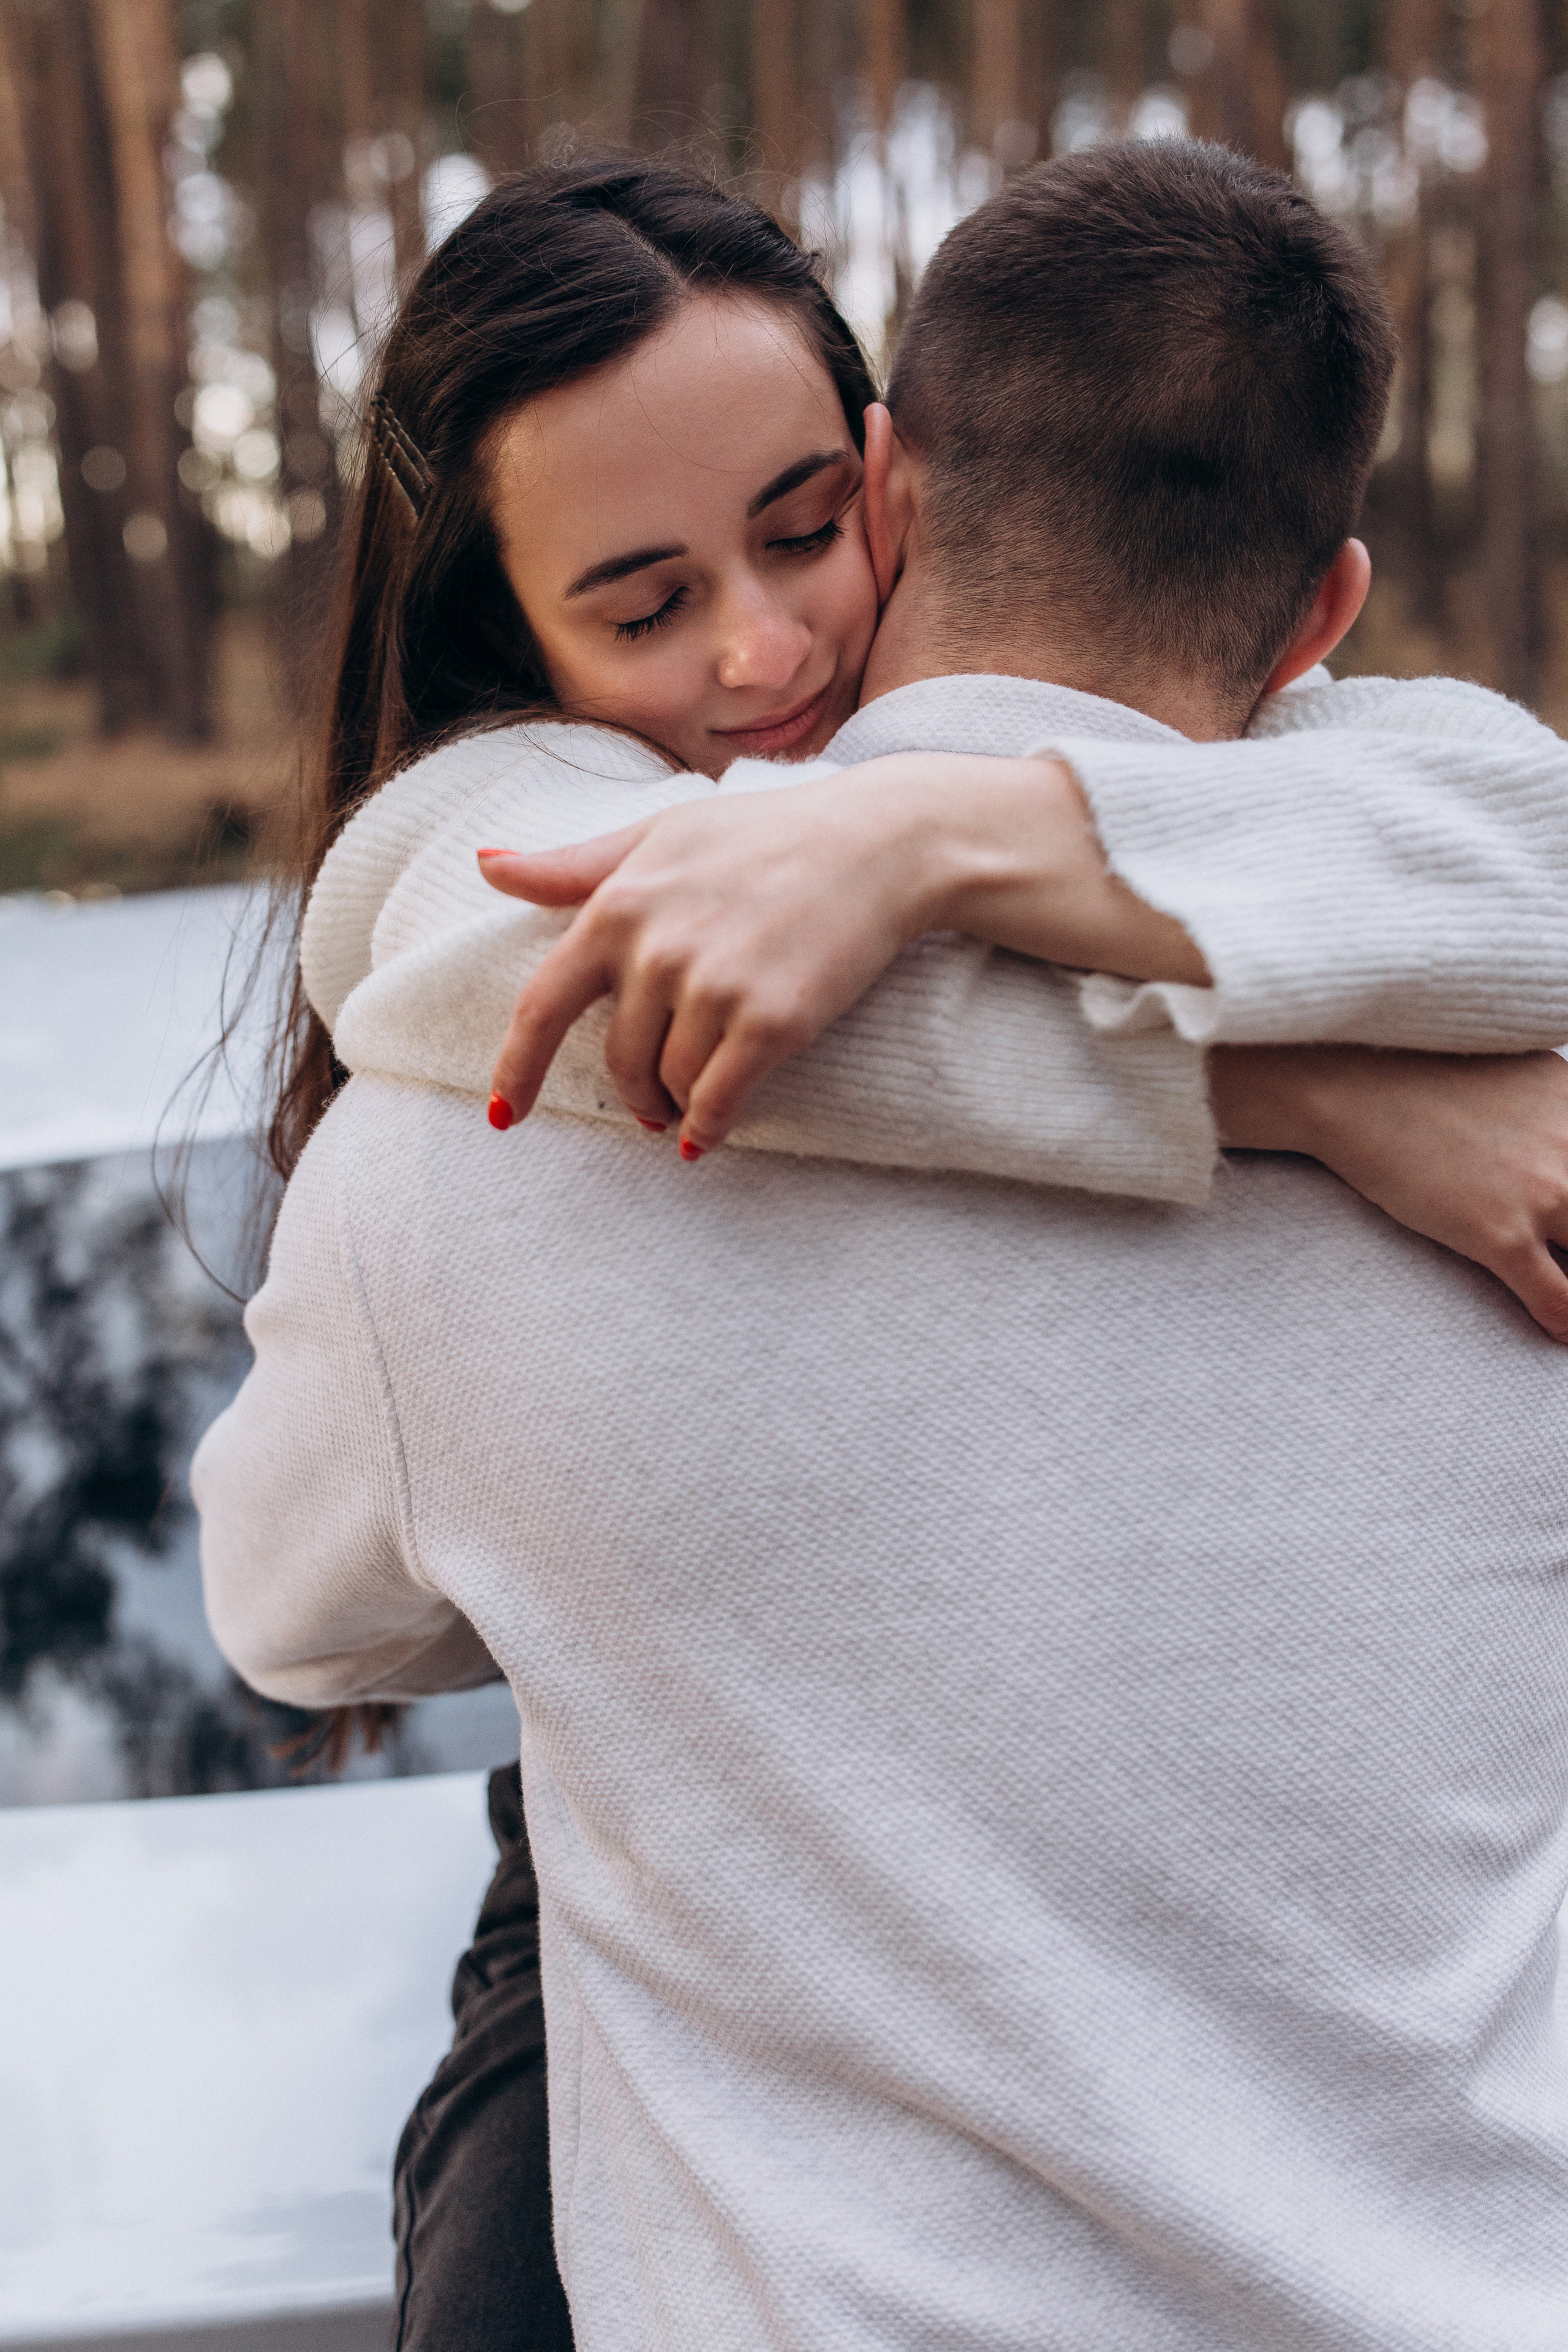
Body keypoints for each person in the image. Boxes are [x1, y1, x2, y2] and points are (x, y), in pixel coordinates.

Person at [199, 146, 1568, 2348]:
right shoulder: (507, 931)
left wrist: (948, 821)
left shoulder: (1373, 831)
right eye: (642, 610)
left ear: (893, 480)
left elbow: (293, 1609)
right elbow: (536, 945)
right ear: (512, 650)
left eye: (806, 531)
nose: (766, 654)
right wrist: (1300, 1092)